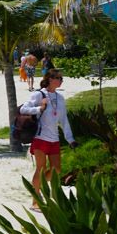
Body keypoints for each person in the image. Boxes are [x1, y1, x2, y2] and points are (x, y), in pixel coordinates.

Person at [19, 69, 77, 211]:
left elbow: (64, 120)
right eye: (58, 78)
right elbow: (23, 109)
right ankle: (35, 201)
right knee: (41, 168)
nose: (61, 80)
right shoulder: (39, 94)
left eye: (61, 78)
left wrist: (70, 139)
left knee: (56, 169)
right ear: (50, 79)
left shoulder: (60, 98)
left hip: (54, 139)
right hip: (40, 137)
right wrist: (40, 108)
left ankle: (39, 186)